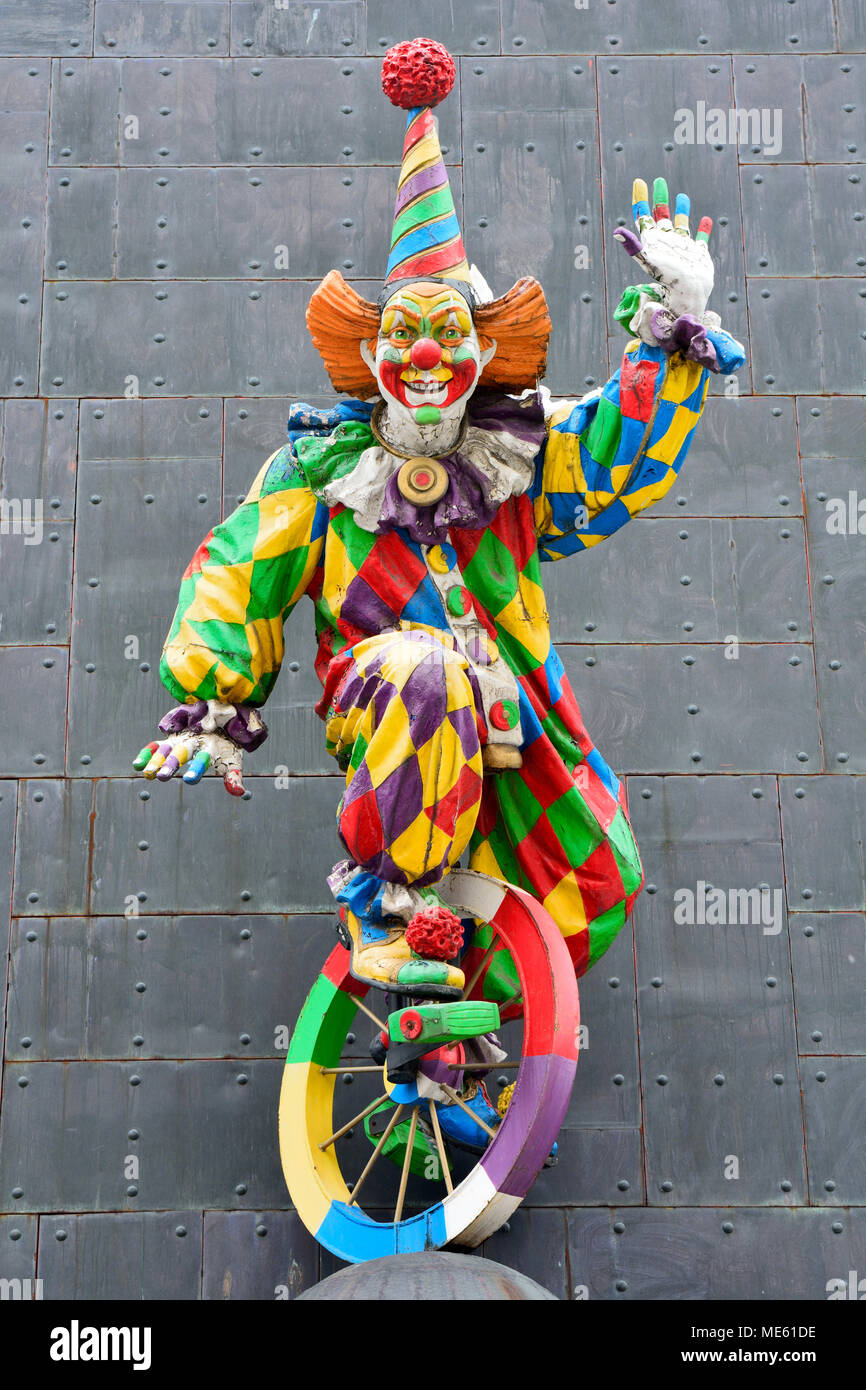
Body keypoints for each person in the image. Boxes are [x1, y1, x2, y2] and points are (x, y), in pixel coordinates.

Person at [134, 38, 745, 1001]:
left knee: (599, 872)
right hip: (392, 696)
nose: (424, 352)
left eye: (448, 332)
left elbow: (612, 460)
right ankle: (384, 910)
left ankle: (459, 1027)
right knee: (425, 673)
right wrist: (216, 705)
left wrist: (673, 315)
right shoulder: (321, 473)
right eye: (403, 333)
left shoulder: (521, 455)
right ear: (374, 359)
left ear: (481, 355)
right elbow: (237, 566)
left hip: (515, 708)